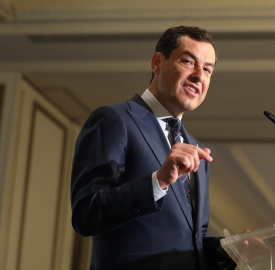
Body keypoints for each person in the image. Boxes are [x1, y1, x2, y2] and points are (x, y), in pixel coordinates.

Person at [70, 26, 235, 270]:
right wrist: (158, 181)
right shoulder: (115, 120)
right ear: (157, 62)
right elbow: (86, 214)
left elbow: (194, 240)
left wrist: (234, 248)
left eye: (208, 69)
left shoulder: (195, 148)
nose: (199, 75)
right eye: (189, 61)